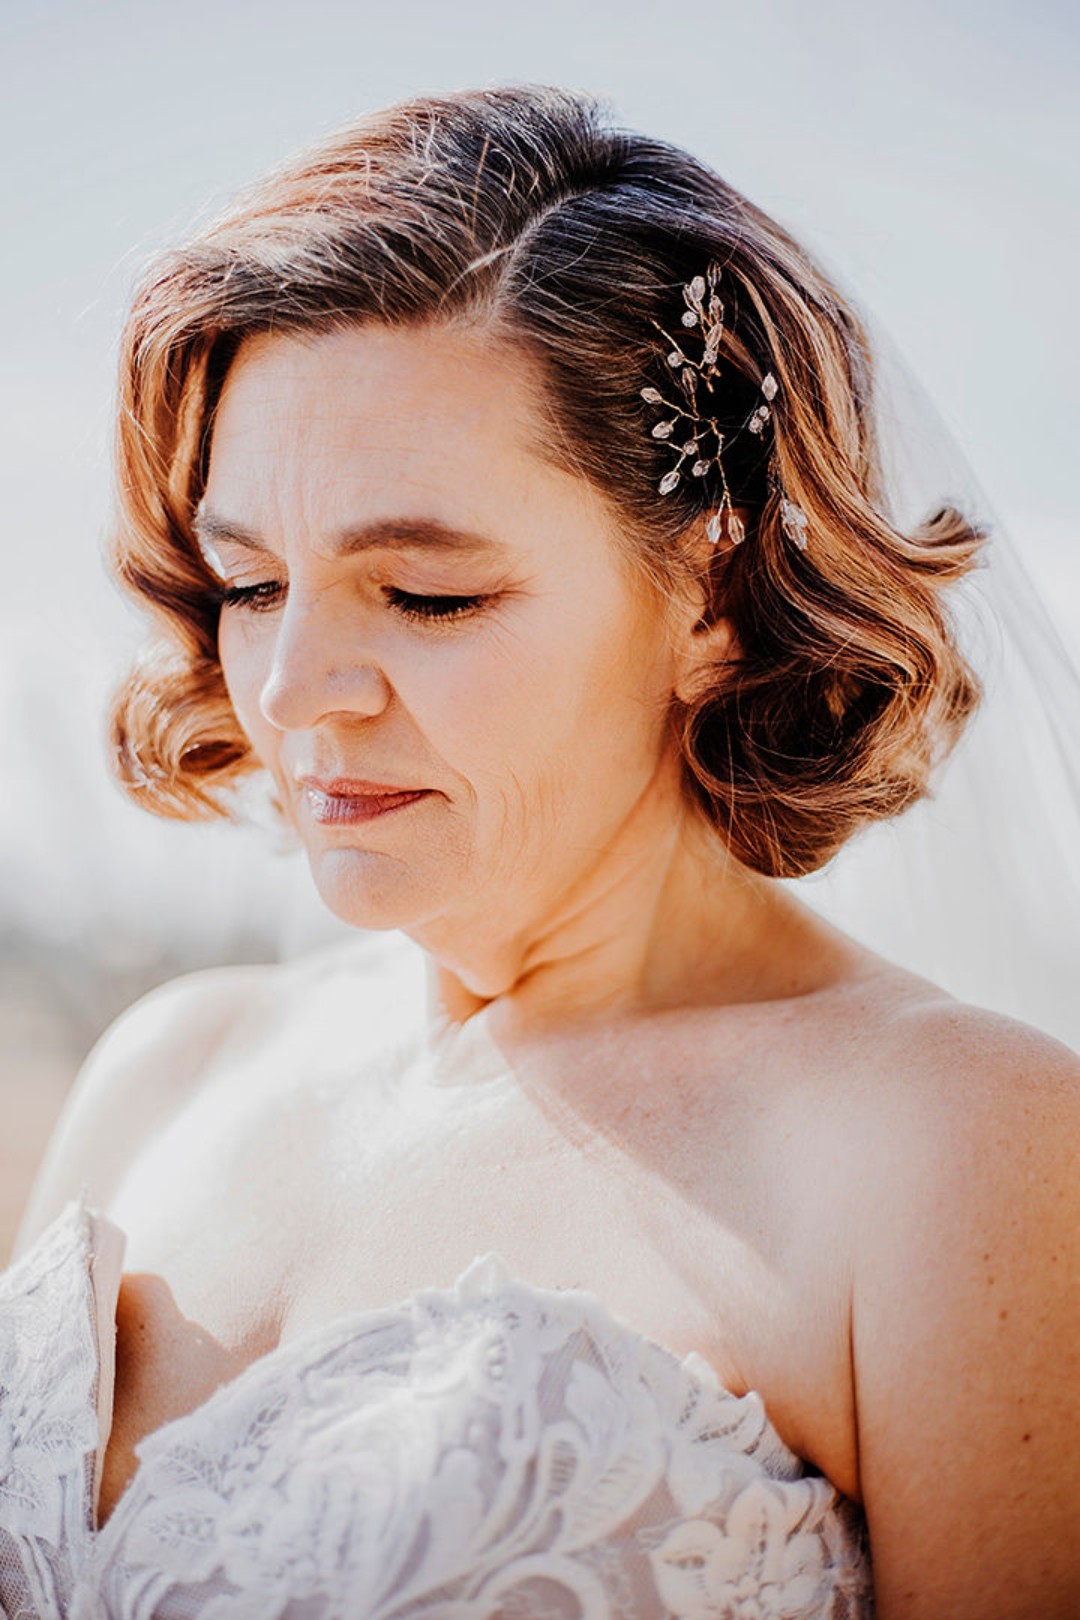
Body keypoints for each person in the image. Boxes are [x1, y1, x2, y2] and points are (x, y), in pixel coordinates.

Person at [3, 83, 1078, 1618]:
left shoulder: (963, 1153)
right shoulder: (166, 1068)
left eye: (428, 598)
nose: (298, 690)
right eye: (250, 582)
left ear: (709, 599)